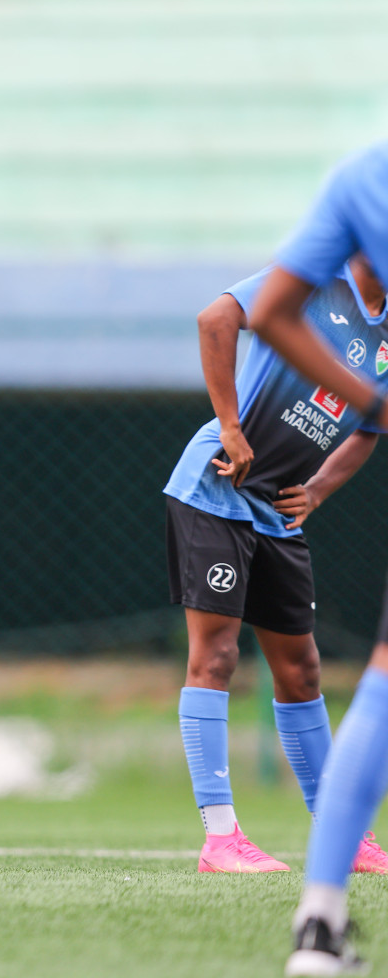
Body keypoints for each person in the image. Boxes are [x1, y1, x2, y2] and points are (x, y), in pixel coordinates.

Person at [163, 257, 388, 876]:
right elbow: (217, 318)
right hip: (215, 489)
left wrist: (316, 491)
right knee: (216, 657)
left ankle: (343, 837)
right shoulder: (313, 282)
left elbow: (369, 426)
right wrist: (231, 427)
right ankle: (220, 839)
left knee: (302, 669)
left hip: (277, 509)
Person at [243, 143, 388, 976]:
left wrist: (372, 404)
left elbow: (268, 310)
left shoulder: (361, 176)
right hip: (226, 495)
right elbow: (236, 317)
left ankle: (320, 927)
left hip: (281, 497)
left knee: (374, 677)